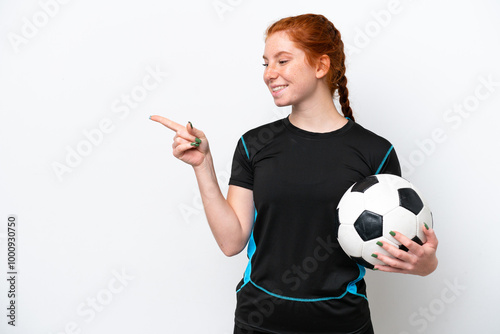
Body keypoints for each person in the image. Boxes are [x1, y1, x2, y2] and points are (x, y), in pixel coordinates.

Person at [150, 13, 438, 334]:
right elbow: (232, 242)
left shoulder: (375, 151)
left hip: (342, 322)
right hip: (260, 320)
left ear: (320, 66)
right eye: (265, 63)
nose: (269, 74)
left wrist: (426, 265)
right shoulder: (254, 144)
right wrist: (202, 165)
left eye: (282, 61)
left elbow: (391, 247)